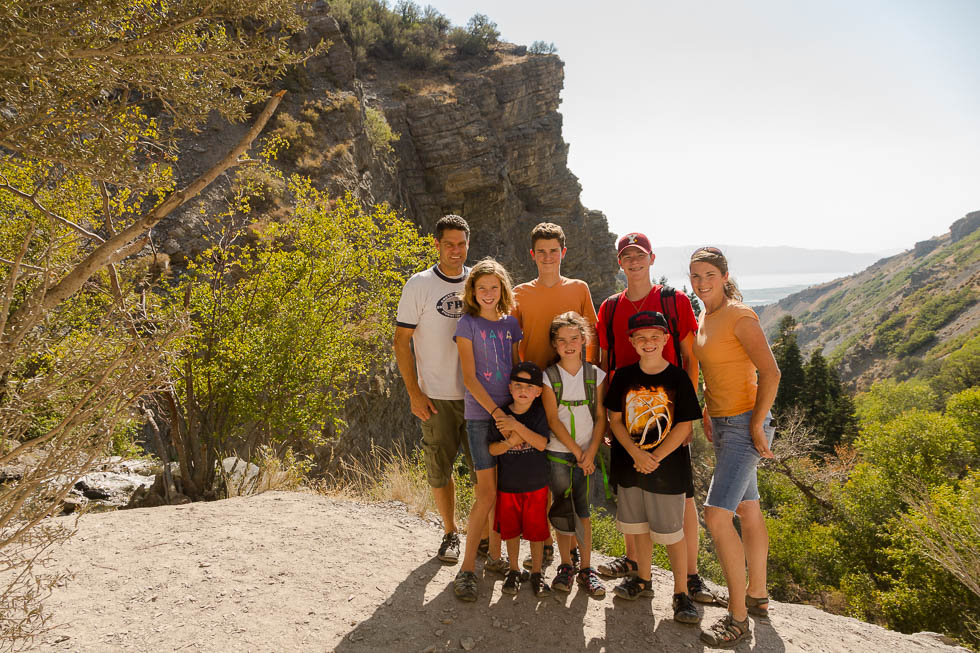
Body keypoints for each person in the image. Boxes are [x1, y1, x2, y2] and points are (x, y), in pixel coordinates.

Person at [595, 233, 713, 605]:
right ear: (620, 262)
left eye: (640, 256)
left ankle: (691, 577)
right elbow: (605, 361)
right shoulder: (610, 307)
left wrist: (687, 415)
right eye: (627, 257)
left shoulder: (673, 300)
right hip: (626, 414)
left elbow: (690, 358)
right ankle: (635, 565)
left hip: (668, 411)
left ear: (652, 259)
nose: (633, 263)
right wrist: (605, 419)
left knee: (683, 496)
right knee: (631, 492)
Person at [689, 247, 781, 648]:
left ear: (725, 276)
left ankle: (738, 617)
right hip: (723, 425)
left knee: (715, 516)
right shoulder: (703, 317)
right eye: (695, 276)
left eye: (709, 274)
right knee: (747, 509)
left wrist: (758, 424)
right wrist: (708, 410)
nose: (701, 282)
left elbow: (771, 372)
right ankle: (757, 595)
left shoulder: (740, 315)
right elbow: (715, 371)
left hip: (745, 425)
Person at [604, 311, 702, 624]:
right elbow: (615, 420)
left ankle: (681, 593)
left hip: (668, 469)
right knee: (639, 527)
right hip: (631, 464)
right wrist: (635, 452)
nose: (649, 343)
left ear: (666, 340)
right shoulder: (622, 376)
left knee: (673, 533)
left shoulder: (677, 378)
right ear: (632, 342)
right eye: (641, 337)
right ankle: (642, 580)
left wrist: (655, 456)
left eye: (655, 337)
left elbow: (685, 423)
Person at [512, 221, 599, 570]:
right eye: (541, 251)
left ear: (563, 253)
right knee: (543, 469)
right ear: (532, 255)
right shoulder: (519, 292)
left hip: (574, 389)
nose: (548, 257)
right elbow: (515, 341)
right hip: (536, 389)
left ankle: (574, 547)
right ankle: (546, 541)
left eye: (554, 251)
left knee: (571, 471)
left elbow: (590, 337)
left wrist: (590, 388)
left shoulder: (579, 288)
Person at [394, 215, 473, 564]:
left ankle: (483, 537)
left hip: (478, 396)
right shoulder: (419, 284)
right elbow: (401, 342)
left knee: (485, 469)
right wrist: (414, 392)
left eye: (461, 243)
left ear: (468, 244)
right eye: (448, 244)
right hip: (437, 396)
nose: (455, 250)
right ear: (437, 245)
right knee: (440, 469)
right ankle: (450, 533)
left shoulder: (479, 281)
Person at [452, 258, 523, 602]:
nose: (489, 293)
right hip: (481, 418)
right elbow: (469, 377)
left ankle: (496, 558)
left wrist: (518, 414)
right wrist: (497, 413)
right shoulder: (466, 324)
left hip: (510, 415)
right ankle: (466, 569)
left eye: (495, 287)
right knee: (486, 493)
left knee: (504, 491)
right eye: (482, 288)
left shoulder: (511, 324)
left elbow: (516, 369)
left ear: (503, 290)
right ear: (473, 291)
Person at [541, 312, 607, 598]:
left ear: (584, 340)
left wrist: (590, 452)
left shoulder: (595, 375)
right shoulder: (549, 377)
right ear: (554, 345)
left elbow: (601, 416)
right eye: (562, 340)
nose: (569, 345)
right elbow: (553, 420)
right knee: (562, 510)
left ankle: (587, 568)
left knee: (583, 512)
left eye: (574, 339)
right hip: (559, 453)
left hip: (586, 455)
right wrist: (580, 452)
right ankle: (566, 564)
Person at [488, 362, 553, 598]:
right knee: (511, 532)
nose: (523, 390)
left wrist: (516, 427)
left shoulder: (538, 413)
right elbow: (493, 450)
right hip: (508, 486)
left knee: (537, 532)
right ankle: (514, 570)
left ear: (538, 391)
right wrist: (508, 443)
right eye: (517, 385)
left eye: (529, 386)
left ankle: (537, 572)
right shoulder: (501, 414)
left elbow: (542, 443)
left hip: (536, 485)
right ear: (510, 387)